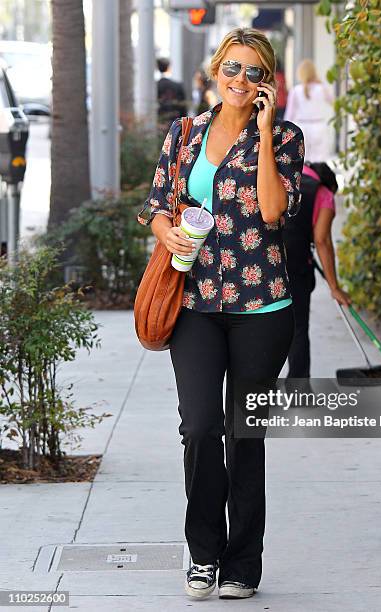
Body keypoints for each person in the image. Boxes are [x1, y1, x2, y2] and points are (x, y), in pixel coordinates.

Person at [138, 28, 304, 600]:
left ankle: (241, 564)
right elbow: (157, 207)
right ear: (215, 72)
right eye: (232, 68)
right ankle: (202, 554)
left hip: (262, 307)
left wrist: (260, 133)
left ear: (268, 83)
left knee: (245, 435)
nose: (241, 79)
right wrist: (173, 237)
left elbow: (274, 211)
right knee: (201, 429)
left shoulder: (283, 136)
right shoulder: (184, 133)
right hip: (194, 304)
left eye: (254, 72)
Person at [283, 161, 351, 380]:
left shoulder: (286, 176)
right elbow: (322, 240)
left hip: (262, 264)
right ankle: (298, 390)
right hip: (295, 269)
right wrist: (334, 287)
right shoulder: (323, 194)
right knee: (297, 329)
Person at [284, 58, 333, 163]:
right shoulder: (322, 88)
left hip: (302, 128)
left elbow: (289, 115)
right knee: (320, 161)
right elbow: (335, 103)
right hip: (319, 127)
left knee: (303, 161)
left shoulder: (295, 90)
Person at [156, 57, 187, 129]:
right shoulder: (178, 85)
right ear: (169, 67)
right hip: (176, 126)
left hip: (159, 124)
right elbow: (183, 107)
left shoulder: (155, 86)